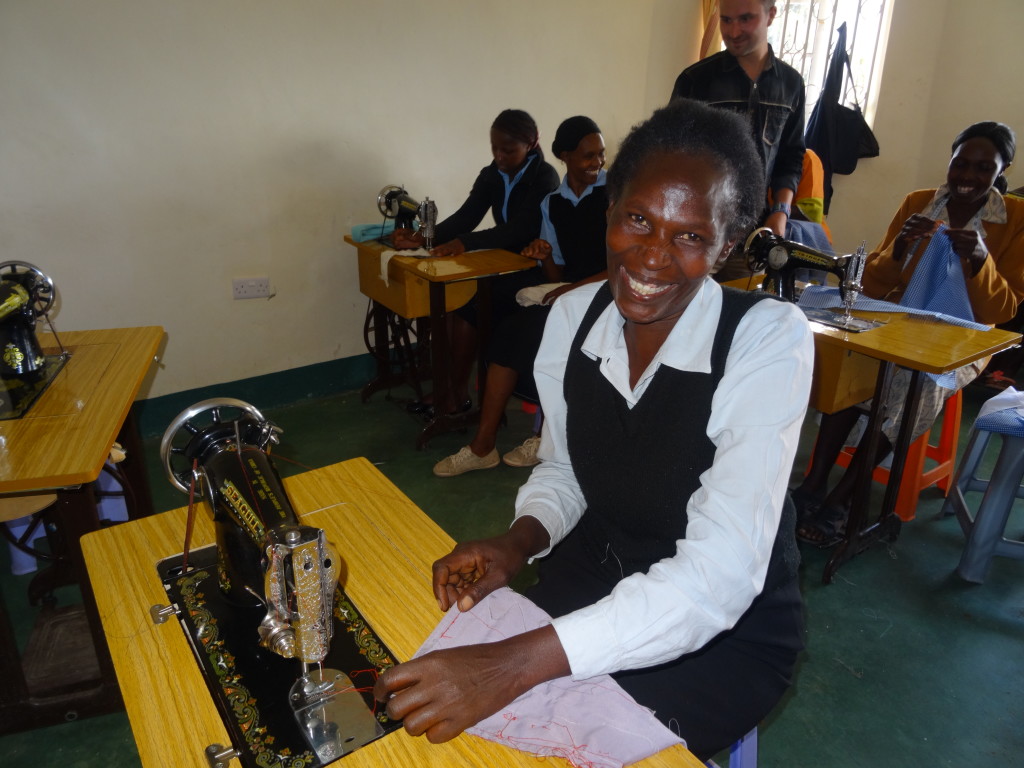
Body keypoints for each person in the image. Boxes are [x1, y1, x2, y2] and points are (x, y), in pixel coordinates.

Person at [373, 99, 814, 761]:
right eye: (637, 217)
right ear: (610, 211)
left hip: (725, 633)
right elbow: (567, 467)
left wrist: (511, 665)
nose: (654, 256)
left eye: (691, 236)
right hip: (595, 578)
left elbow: (716, 579)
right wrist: (520, 541)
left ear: (725, 247)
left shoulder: (766, 340)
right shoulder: (573, 317)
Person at [795, 121, 1024, 546]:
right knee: (854, 361)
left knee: (918, 385)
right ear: (949, 161)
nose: (967, 176)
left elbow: (1004, 310)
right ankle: (814, 484)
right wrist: (898, 249)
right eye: (960, 164)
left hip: (966, 339)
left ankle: (847, 498)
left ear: (1002, 169)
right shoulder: (919, 203)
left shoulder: (1015, 220)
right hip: (899, 319)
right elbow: (876, 287)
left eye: (982, 168)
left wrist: (979, 261)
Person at [432, 116, 609, 477]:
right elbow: (558, 271)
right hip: (568, 291)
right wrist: (545, 258)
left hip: (608, 292)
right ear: (565, 156)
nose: (598, 163)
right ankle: (483, 447)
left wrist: (567, 290)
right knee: (508, 332)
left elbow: (622, 266)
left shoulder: (615, 195)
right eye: (588, 156)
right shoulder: (554, 203)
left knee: (539, 331)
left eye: (601, 155)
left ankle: (547, 436)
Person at [393, 109, 559, 416]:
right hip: (502, 263)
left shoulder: (544, 177)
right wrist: (423, 237)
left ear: (532, 144)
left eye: (508, 150)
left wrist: (465, 243)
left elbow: (521, 229)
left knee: (468, 310)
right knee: (452, 306)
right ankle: (448, 389)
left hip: (535, 268)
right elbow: (467, 216)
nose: (499, 157)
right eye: (494, 148)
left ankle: (456, 394)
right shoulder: (492, 174)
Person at [670, 0, 805, 282]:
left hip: (753, 237)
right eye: (726, 20)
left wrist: (781, 211)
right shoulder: (695, 80)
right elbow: (672, 156)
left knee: (738, 315)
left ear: (771, 15)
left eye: (745, 19)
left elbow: (791, 157)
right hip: (697, 231)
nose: (733, 31)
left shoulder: (791, 84)